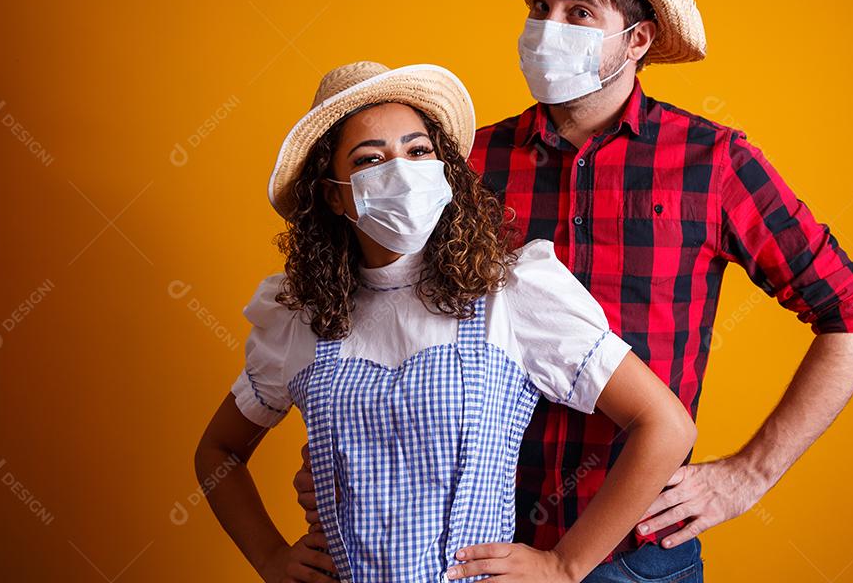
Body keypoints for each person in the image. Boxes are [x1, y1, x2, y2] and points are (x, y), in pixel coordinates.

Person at [290, 0, 853, 582]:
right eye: (539, 5)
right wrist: (350, 460)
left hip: (636, 555)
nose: (549, 28)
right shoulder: (462, 165)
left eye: (579, 13)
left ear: (637, 39)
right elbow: (375, 312)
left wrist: (748, 474)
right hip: (478, 556)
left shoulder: (712, 163)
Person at [194, 60, 698, 583]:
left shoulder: (512, 295)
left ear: (444, 170)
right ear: (334, 193)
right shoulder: (298, 318)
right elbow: (217, 451)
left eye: (418, 151)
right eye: (371, 160)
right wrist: (270, 558)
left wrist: (565, 565)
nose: (402, 169)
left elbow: (665, 426)